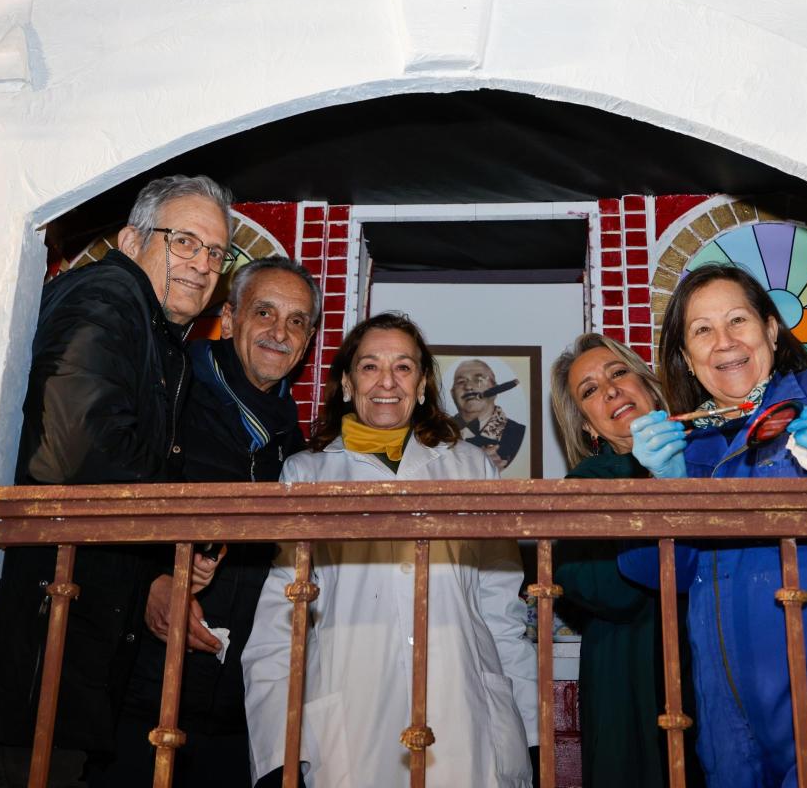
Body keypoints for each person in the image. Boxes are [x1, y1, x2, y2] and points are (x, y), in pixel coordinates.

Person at [0, 175, 235, 788]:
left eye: (217, 253)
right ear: (131, 238)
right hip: (40, 643)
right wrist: (185, 525)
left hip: (74, 657)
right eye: (185, 241)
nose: (202, 264)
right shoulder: (111, 295)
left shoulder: (160, 337)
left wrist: (170, 557)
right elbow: (80, 452)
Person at [620, 263, 807, 788]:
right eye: (702, 330)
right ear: (686, 356)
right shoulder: (691, 445)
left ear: (771, 328)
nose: (724, 342)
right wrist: (663, 490)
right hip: (728, 718)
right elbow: (653, 573)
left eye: (738, 321)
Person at [242, 313, 539, 788]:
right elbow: (282, 622)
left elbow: (500, 612)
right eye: (369, 366)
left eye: (403, 367)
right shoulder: (306, 474)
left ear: (422, 384)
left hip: (465, 715)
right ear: (345, 382)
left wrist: (531, 730)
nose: (387, 382)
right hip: (350, 720)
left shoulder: (471, 468)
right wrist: (279, 751)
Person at [97, 257, 320, 788]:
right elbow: (101, 497)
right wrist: (146, 580)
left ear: (309, 340)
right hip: (142, 693)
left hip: (238, 708)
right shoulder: (173, 394)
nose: (278, 332)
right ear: (230, 316)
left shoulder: (295, 444)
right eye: (264, 312)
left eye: (296, 322)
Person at [549, 334, 701, 788]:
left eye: (618, 373)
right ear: (587, 428)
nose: (611, 390)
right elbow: (612, 592)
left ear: (650, 386)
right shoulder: (581, 488)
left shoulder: (709, 455)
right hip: (630, 686)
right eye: (590, 391)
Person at [450, 358, 527, 472]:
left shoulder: (519, 433)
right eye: (461, 382)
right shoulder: (437, 434)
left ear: (495, 390)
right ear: (452, 394)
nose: (469, 387)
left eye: (479, 380)